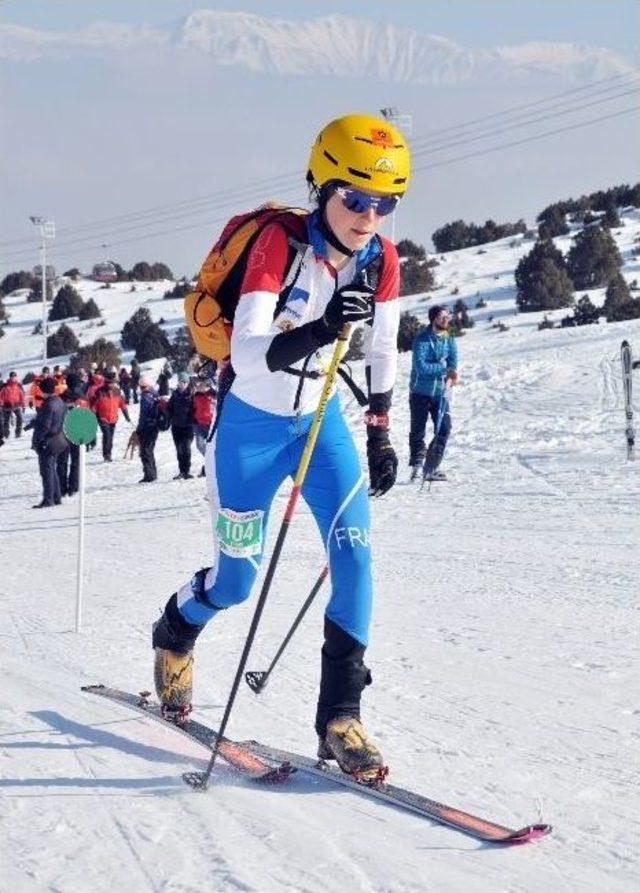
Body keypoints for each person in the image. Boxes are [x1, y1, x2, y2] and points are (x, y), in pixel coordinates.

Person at [151, 113, 410, 779]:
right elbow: (249, 352)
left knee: (354, 554)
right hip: (250, 429)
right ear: (321, 186)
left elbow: (382, 346)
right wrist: (324, 325)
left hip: (319, 425)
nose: (368, 215)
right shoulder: (278, 243)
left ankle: (341, 715)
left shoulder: (382, 258)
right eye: (354, 197)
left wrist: (381, 428)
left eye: (385, 203)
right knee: (236, 582)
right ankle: (175, 631)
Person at [408, 304, 459, 481]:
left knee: (444, 428)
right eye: (441, 316)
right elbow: (420, 366)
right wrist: (443, 370)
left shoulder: (449, 337)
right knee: (418, 430)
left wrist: (452, 372)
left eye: (448, 316)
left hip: (440, 392)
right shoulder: (422, 339)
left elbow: (453, 359)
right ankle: (417, 463)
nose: (445, 319)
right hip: (420, 392)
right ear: (433, 319)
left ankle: (430, 467)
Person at [30, 377, 66, 508]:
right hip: (58, 439)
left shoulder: (48, 404)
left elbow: (45, 425)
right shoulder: (59, 401)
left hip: (48, 441)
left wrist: (38, 441)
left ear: (43, 390)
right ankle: (56, 497)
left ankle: (48, 499)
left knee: (46, 471)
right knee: (52, 469)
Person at [57, 372, 89, 497]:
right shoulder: (82, 399)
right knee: (76, 460)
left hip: (62, 432)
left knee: (62, 461)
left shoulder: (61, 397)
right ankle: (73, 486)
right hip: (77, 431)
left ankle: (61, 487)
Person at [90, 368, 131, 461]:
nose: (111, 385)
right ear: (106, 382)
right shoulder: (100, 391)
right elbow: (94, 405)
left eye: (113, 383)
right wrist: (92, 415)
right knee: (107, 435)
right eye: (109, 383)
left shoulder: (117, 391)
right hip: (102, 418)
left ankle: (109, 453)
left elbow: (122, 404)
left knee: (110, 437)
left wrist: (126, 415)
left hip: (113, 418)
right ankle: (107, 455)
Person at [168, 371, 195, 479]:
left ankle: (187, 471)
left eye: (184, 381)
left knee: (186, 448)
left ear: (188, 382)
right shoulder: (175, 394)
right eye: (180, 381)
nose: (182, 383)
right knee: (179, 449)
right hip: (176, 426)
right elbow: (169, 408)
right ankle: (182, 471)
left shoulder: (192, 394)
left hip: (188, 426)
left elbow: (196, 408)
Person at [136, 375, 160, 483]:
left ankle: (149, 475)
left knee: (145, 451)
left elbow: (143, 416)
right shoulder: (155, 395)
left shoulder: (145, 397)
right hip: (154, 426)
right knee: (149, 450)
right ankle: (152, 473)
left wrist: (139, 429)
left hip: (147, 427)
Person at [192, 377, 216, 477]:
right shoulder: (196, 396)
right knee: (200, 445)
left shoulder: (213, 395)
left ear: (207, 386)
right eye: (198, 385)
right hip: (199, 424)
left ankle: (212, 464)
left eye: (201, 385)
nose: (199, 387)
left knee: (213, 446)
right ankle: (211, 462)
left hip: (211, 425)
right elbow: (193, 408)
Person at [0, 371, 26, 439]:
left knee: (20, 418)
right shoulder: (5, 386)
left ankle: (18, 433)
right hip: (7, 405)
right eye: (12, 377)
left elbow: (22, 396)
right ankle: (6, 434)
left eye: (14, 376)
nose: (13, 378)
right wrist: (1, 404)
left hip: (16, 405)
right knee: (6, 420)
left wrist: (23, 405)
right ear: (10, 377)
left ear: (16, 377)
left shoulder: (18, 385)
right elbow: (1, 396)